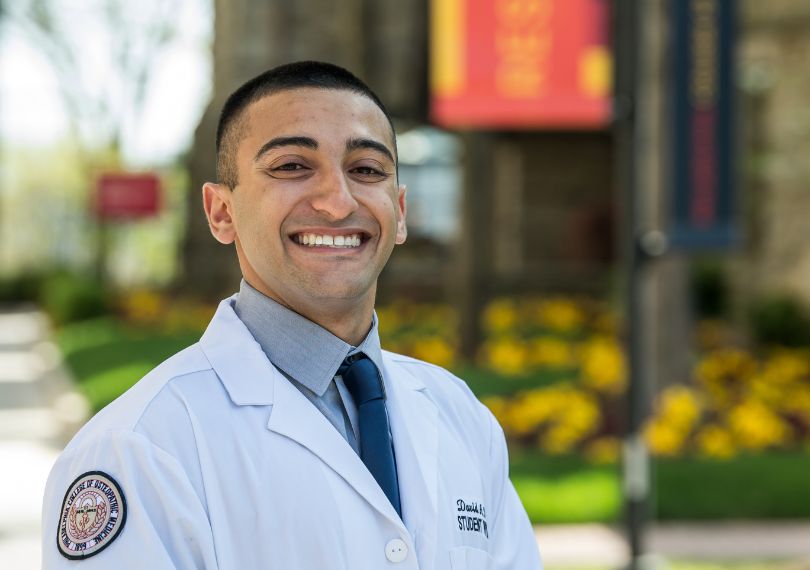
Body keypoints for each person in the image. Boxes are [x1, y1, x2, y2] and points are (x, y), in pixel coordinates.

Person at [42, 61, 542, 569]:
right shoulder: (140, 447)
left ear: (401, 212)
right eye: (291, 167)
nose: (336, 201)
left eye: (366, 170)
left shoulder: (459, 415)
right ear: (221, 213)